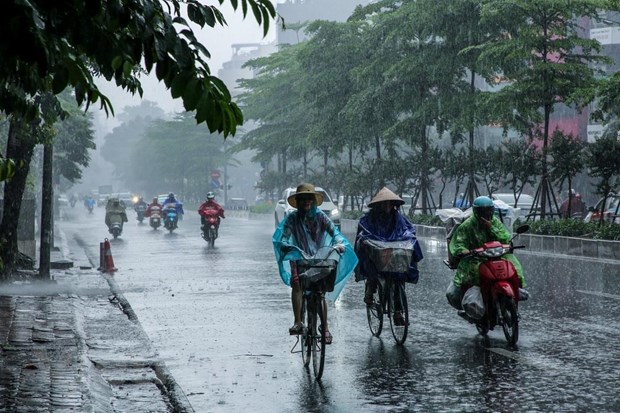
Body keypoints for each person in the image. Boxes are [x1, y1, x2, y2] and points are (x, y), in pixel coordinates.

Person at [272, 183, 358, 344]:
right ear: (298, 202)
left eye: (309, 198)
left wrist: (340, 244)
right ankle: (298, 321)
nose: (306, 201)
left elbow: (335, 233)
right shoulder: (292, 219)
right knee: (297, 285)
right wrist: (284, 244)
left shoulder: (321, 217)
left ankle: (325, 328)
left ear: (313, 200)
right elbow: (284, 235)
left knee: (320, 292)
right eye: (302, 198)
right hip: (299, 258)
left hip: (320, 259)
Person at [354, 187, 424, 326]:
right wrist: (367, 241)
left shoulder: (399, 218)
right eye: (384, 203)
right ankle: (370, 288)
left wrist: (409, 240)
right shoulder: (369, 219)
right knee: (373, 269)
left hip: (393, 252)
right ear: (378, 205)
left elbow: (408, 231)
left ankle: (398, 312)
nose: (387, 206)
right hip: (376, 251)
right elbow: (364, 232)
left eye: (389, 203)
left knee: (399, 277)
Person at [446, 195, 528, 312]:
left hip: (497, 255)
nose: (485, 214)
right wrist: (464, 251)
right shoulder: (467, 226)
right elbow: (458, 243)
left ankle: (515, 288)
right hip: (476, 258)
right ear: (476, 211)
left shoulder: (496, 223)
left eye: (488, 211)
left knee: (514, 265)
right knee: (472, 275)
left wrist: (491, 228)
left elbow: (505, 238)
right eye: (482, 211)